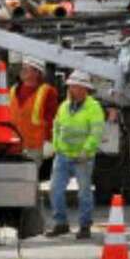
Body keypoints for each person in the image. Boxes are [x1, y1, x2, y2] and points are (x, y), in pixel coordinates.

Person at [48, 71, 105, 239]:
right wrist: (57, 147)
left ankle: (85, 225)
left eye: (74, 86)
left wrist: (86, 151)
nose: (71, 89)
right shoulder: (64, 106)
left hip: (83, 158)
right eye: (70, 86)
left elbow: (96, 133)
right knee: (55, 190)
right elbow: (56, 127)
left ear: (84, 89)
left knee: (84, 193)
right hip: (63, 155)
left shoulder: (94, 107)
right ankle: (61, 223)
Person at [10, 58, 58, 167]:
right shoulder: (13, 90)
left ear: (37, 72)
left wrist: (49, 141)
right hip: (14, 145)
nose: (22, 70)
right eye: (23, 68)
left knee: (30, 179)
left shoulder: (47, 92)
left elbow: (52, 119)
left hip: (34, 147)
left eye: (27, 68)